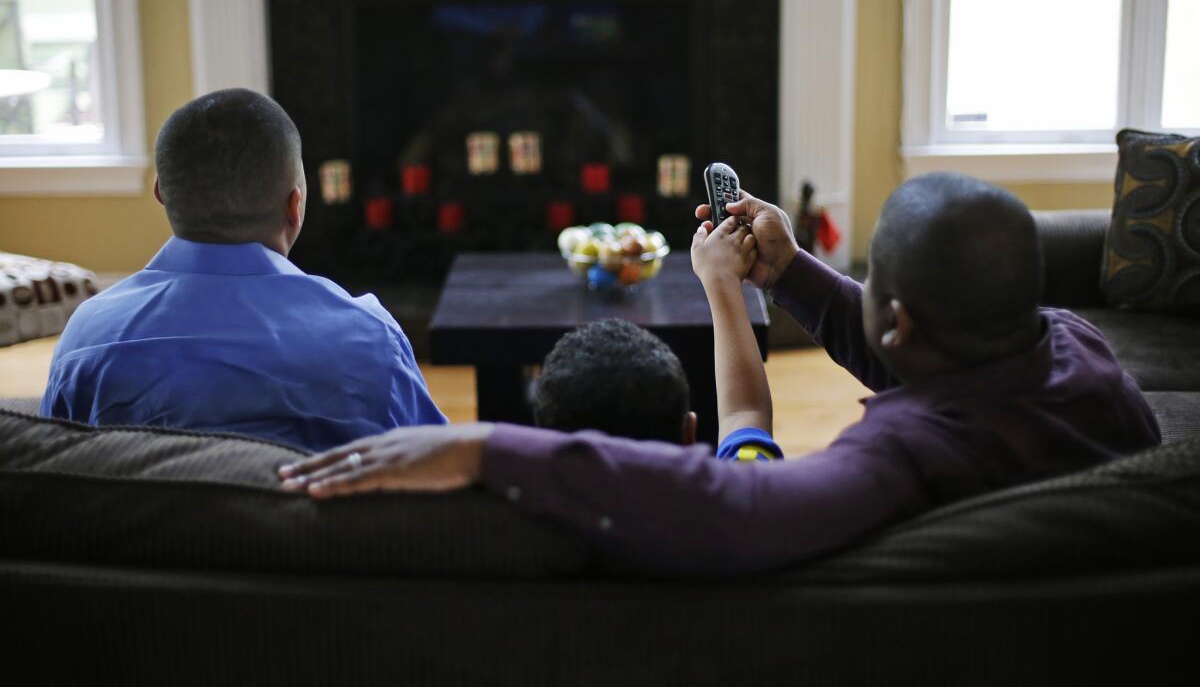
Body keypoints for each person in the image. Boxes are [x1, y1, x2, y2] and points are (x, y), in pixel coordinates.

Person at [278, 173, 1160, 574]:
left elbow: (740, 505)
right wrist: (797, 272)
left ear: (894, 319)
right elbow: (909, 347)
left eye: (871, 283)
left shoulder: (905, 450)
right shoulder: (1076, 345)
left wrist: (485, 445)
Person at [41, 88, 445, 452]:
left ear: (161, 193)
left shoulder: (87, 337)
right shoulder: (371, 337)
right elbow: (435, 465)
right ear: (295, 205)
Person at [531, 317, 782, 461]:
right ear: (689, 433)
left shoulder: (515, 538)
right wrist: (722, 278)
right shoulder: (742, 499)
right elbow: (746, 412)